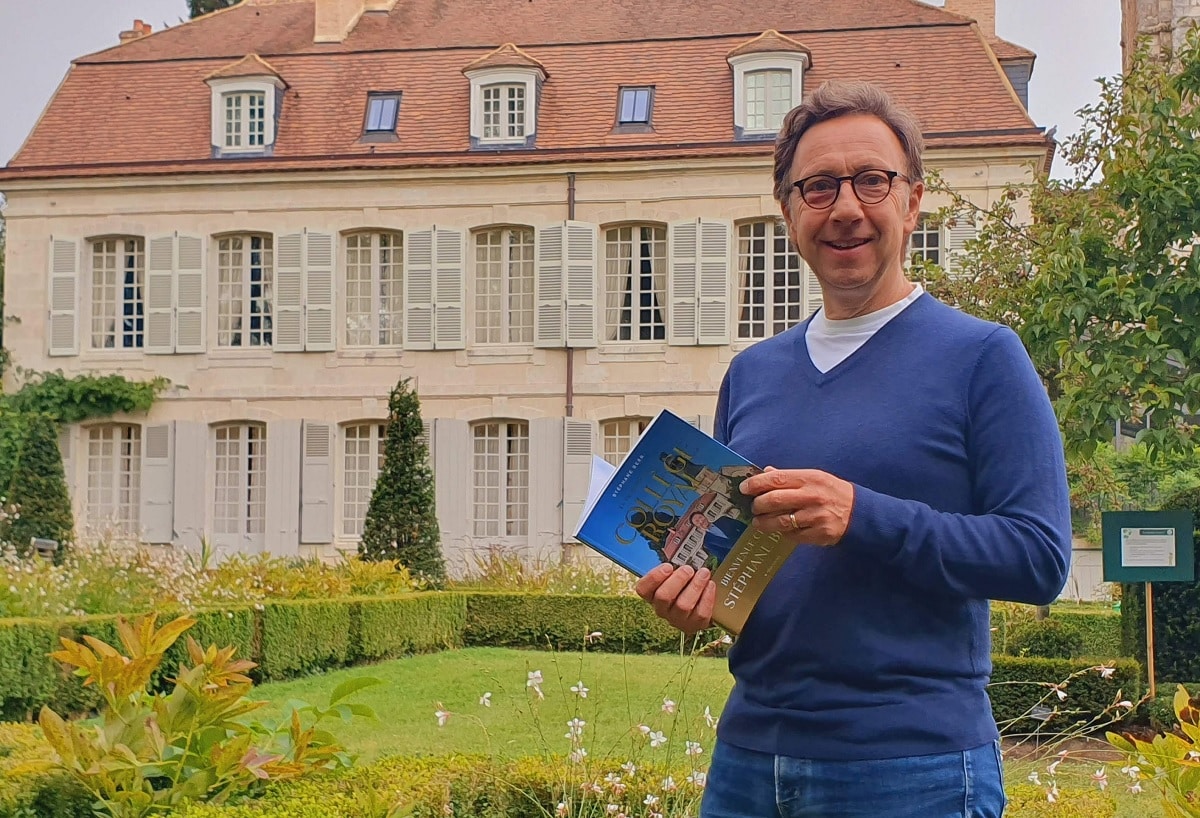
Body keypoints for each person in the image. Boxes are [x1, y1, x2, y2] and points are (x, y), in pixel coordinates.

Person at [635, 80, 1072, 818]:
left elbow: (1039, 558)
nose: (844, 206)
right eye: (818, 186)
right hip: (747, 761)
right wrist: (696, 601)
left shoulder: (984, 357)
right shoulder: (752, 373)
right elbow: (738, 565)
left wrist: (861, 516)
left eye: (872, 180)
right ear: (788, 211)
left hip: (914, 767)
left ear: (913, 201)